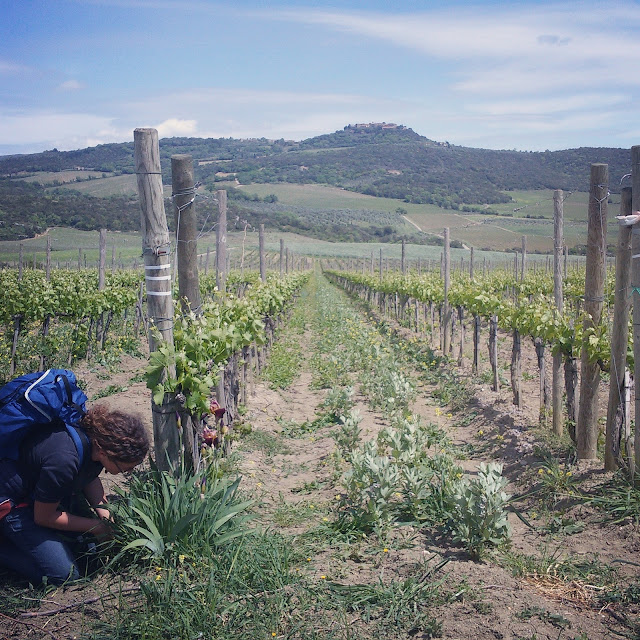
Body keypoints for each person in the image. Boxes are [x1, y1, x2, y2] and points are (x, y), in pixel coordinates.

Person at [0, 403, 149, 585]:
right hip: (11, 505)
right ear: (104, 452)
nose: (128, 473)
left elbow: (90, 477)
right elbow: (44, 517)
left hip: (37, 494)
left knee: (79, 543)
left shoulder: (94, 438)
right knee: (65, 575)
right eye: (125, 469)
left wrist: (105, 515)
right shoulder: (64, 461)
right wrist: (97, 527)